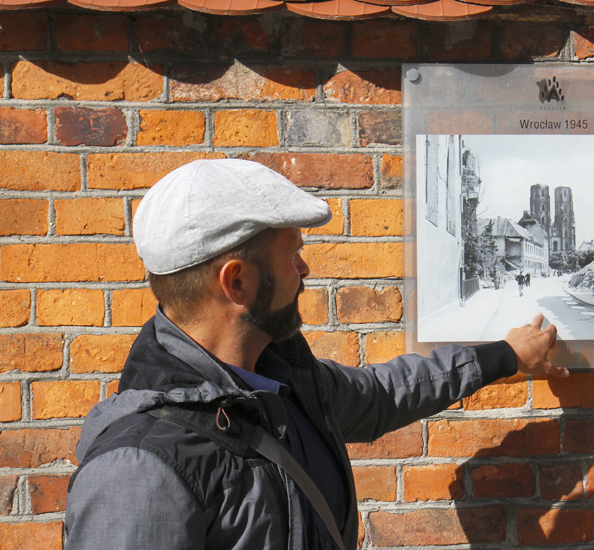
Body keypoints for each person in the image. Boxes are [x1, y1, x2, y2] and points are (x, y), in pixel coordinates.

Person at [63, 159, 567, 550]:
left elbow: (383, 394)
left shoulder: (279, 380)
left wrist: (505, 354)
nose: (305, 270)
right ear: (237, 281)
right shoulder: (138, 469)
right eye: (291, 255)